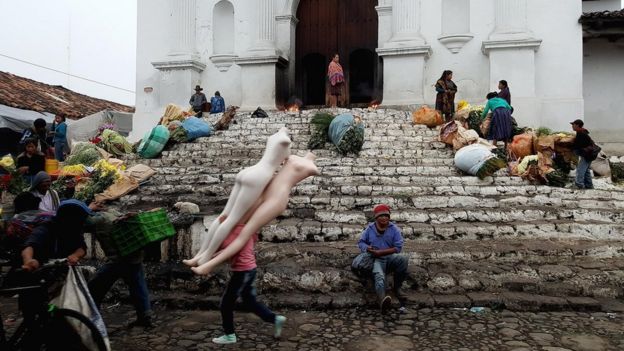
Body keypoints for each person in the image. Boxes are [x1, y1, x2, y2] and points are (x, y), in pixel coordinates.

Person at [191, 151, 319, 275]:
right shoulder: (292, 156)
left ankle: (208, 266)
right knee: (236, 221)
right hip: (267, 188)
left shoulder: (313, 168)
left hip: (278, 197)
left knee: (246, 232)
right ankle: (204, 256)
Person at [183, 127, 292, 268]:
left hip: (250, 171)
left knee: (224, 216)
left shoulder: (274, 137)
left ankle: (199, 255)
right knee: (231, 219)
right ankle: (206, 257)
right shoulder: (284, 139)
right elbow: (285, 144)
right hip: (259, 176)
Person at [18, 200, 94, 321]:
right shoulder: (46, 228)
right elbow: (30, 245)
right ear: (71, 217)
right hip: (36, 275)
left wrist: (75, 255)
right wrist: (29, 260)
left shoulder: (73, 230)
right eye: (82, 218)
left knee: (55, 309)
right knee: (34, 311)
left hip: (56, 276)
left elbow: (82, 248)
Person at [211, 223, 286, 344]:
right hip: (250, 270)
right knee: (250, 302)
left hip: (242, 272)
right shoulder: (248, 226)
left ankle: (229, 335)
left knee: (226, 303)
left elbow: (230, 250)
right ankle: (275, 319)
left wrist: (209, 258)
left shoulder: (237, 229)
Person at [87, 210, 153, 329]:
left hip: (117, 260)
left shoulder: (99, 218)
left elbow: (84, 223)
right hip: (134, 256)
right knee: (138, 286)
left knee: (94, 288)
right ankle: (145, 316)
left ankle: (93, 320)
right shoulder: (116, 212)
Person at [351, 204, 408, 313]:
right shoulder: (370, 229)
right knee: (379, 275)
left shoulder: (394, 229)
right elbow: (361, 242)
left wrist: (381, 252)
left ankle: (397, 287)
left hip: (389, 256)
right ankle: (382, 299)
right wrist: (368, 248)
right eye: (381, 216)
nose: (384, 218)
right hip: (376, 259)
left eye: (386, 216)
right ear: (376, 218)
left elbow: (398, 247)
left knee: (403, 259)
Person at [571, 119, 595, 189]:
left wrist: (569, 146)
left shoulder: (581, 134)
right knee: (586, 171)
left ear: (577, 125)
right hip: (589, 154)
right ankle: (589, 186)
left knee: (580, 169)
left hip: (588, 154)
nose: (572, 126)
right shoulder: (581, 132)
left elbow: (577, 145)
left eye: (573, 124)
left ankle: (579, 185)